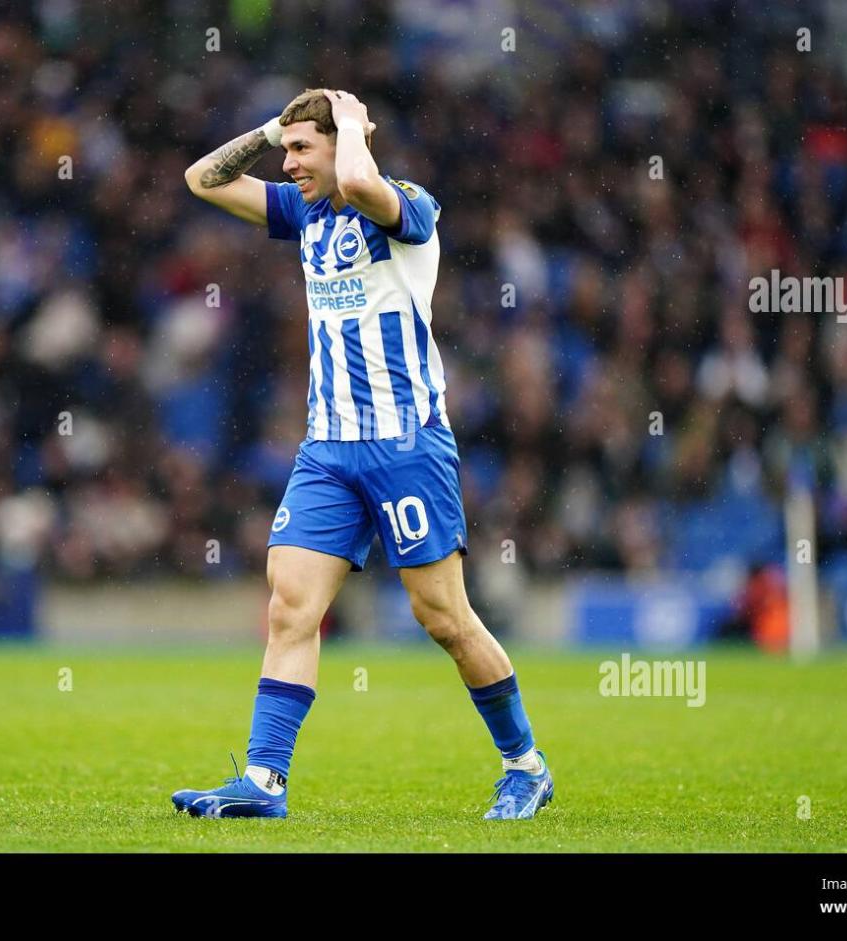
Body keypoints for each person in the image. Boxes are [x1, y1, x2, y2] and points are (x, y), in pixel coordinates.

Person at [173, 88, 552, 819]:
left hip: (406, 443)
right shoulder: (304, 211)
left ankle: (525, 763)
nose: (289, 165)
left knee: (442, 616)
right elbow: (203, 180)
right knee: (290, 606)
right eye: (287, 151)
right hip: (328, 447)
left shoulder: (407, 206)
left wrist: (350, 126)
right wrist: (268, 128)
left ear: (344, 141)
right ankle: (263, 781)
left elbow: (357, 182)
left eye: (300, 150)